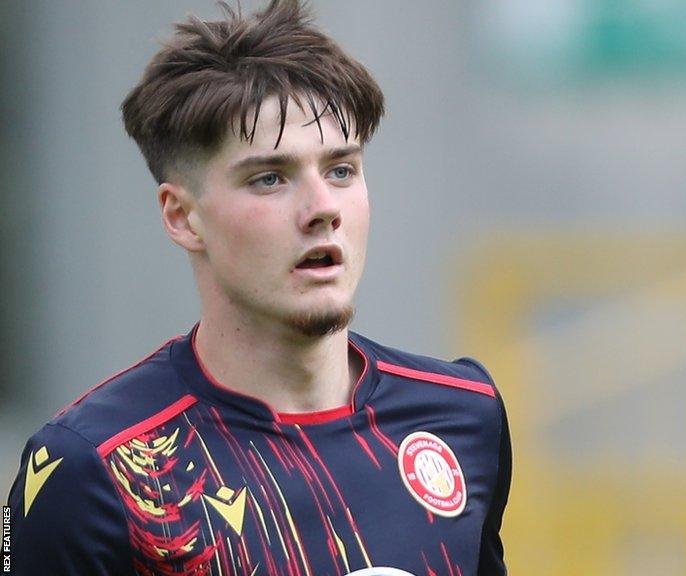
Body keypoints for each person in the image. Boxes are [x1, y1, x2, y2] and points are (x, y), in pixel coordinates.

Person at [5, 1, 511, 574]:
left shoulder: (463, 413)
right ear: (182, 217)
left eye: (342, 170)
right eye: (270, 178)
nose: (324, 209)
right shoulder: (95, 467)